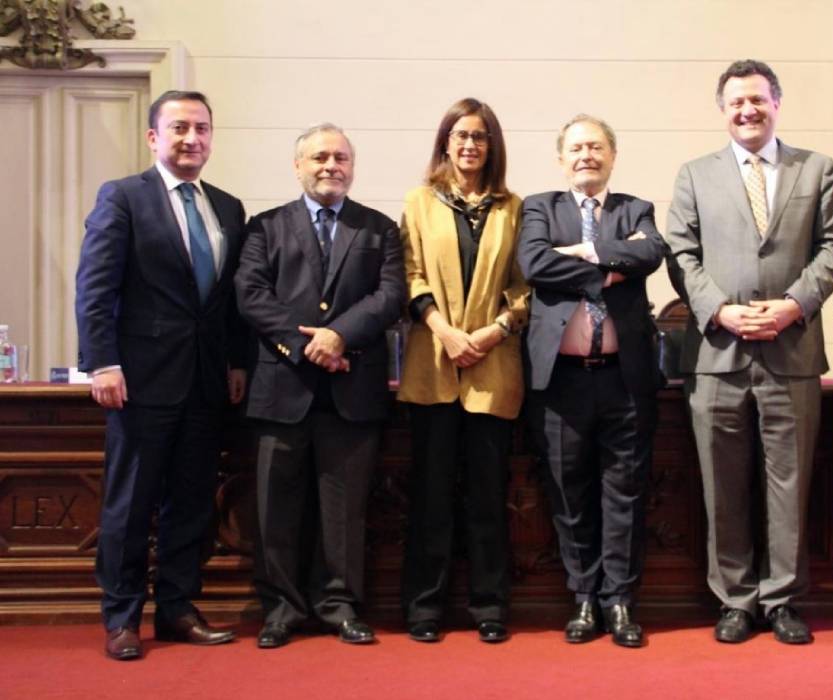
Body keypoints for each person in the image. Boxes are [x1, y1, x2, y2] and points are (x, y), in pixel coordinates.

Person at [665, 60, 833, 645]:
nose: (747, 110)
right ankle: (736, 599)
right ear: (723, 110)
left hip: (791, 353)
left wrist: (794, 304)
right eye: (736, 102)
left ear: (777, 103)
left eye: (758, 100)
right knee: (723, 484)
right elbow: (681, 254)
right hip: (717, 355)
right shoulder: (695, 175)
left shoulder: (816, 169)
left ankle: (784, 599)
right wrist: (719, 309)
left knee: (789, 483)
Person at [75, 90, 247, 660]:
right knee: (131, 503)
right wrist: (102, 361)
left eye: (201, 128)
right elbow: (95, 288)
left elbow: (227, 303)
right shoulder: (124, 197)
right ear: (154, 137)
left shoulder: (227, 207)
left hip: (204, 384)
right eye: (178, 128)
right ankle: (122, 616)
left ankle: (177, 607)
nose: (190, 138)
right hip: (140, 382)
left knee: (192, 503)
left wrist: (236, 364)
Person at [235, 123, 405, 648]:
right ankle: (281, 609)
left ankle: (339, 605)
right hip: (281, 389)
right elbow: (251, 293)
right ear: (298, 165)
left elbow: (390, 294)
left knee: (344, 510)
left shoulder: (379, 228)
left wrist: (338, 336)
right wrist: (306, 343)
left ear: (352, 167)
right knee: (276, 509)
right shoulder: (265, 226)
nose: (331, 166)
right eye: (319, 157)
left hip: (352, 392)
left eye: (341, 158)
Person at [518, 114, 667, 648]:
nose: (587, 155)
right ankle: (583, 598)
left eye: (597, 147)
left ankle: (621, 602)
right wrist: (609, 264)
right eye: (577, 147)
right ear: (561, 158)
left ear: (612, 156)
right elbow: (534, 263)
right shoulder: (540, 207)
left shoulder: (635, 209)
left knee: (624, 493)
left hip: (624, 380)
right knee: (568, 492)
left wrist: (582, 252)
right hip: (561, 381)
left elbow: (651, 252)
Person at [397, 98, 529, 644]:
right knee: (430, 495)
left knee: (486, 496)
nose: (470, 144)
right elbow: (409, 274)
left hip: (492, 367)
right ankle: (424, 608)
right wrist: (446, 331)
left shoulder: (513, 207)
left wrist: (494, 330)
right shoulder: (419, 202)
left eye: (480, 136)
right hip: (434, 364)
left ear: (492, 145)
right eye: (460, 135)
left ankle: (489, 605)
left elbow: (525, 286)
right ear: (445, 142)